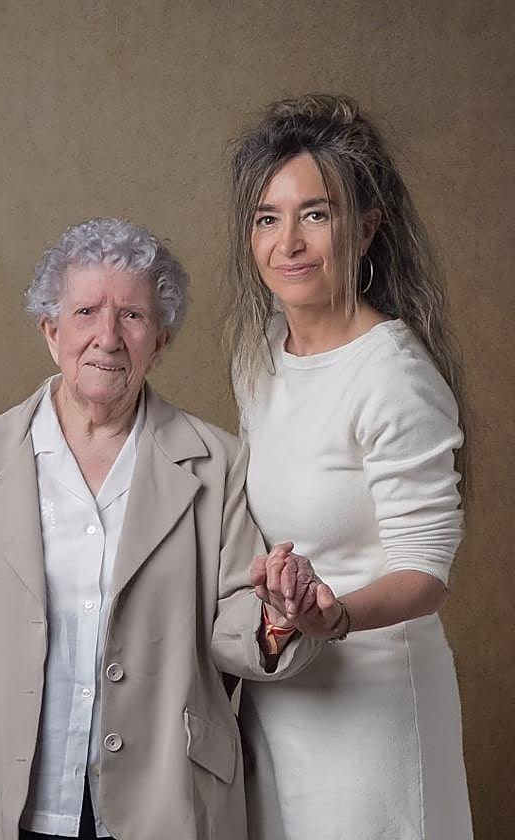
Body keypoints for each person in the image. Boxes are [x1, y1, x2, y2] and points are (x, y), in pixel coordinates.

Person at [0, 217, 323, 840]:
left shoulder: (219, 463)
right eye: (85, 312)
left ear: (162, 338)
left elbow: (236, 626)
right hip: (17, 805)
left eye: (132, 316)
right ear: (50, 329)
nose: (107, 337)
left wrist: (277, 612)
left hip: (170, 802)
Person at [227, 94, 473, 839]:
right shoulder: (261, 354)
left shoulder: (393, 375)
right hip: (283, 697)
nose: (289, 242)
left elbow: (425, 574)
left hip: (373, 716)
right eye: (268, 217)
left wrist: (331, 616)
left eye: (317, 213)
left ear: (366, 228)